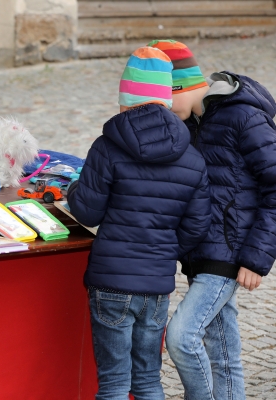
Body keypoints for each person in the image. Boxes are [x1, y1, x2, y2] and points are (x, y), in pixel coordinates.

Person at [67, 46, 211, 400]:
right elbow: (197, 225)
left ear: (126, 99)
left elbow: (87, 212)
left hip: (111, 281)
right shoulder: (192, 157)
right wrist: (163, 252)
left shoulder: (107, 146)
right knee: (148, 381)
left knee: (115, 383)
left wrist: (72, 188)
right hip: (156, 285)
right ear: (165, 98)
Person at [148, 39, 276, 399]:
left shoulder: (241, 115)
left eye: (164, 99)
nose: (162, 110)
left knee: (182, 337)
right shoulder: (188, 124)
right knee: (223, 351)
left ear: (183, 86)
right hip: (200, 253)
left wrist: (256, 257)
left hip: (230, 254)